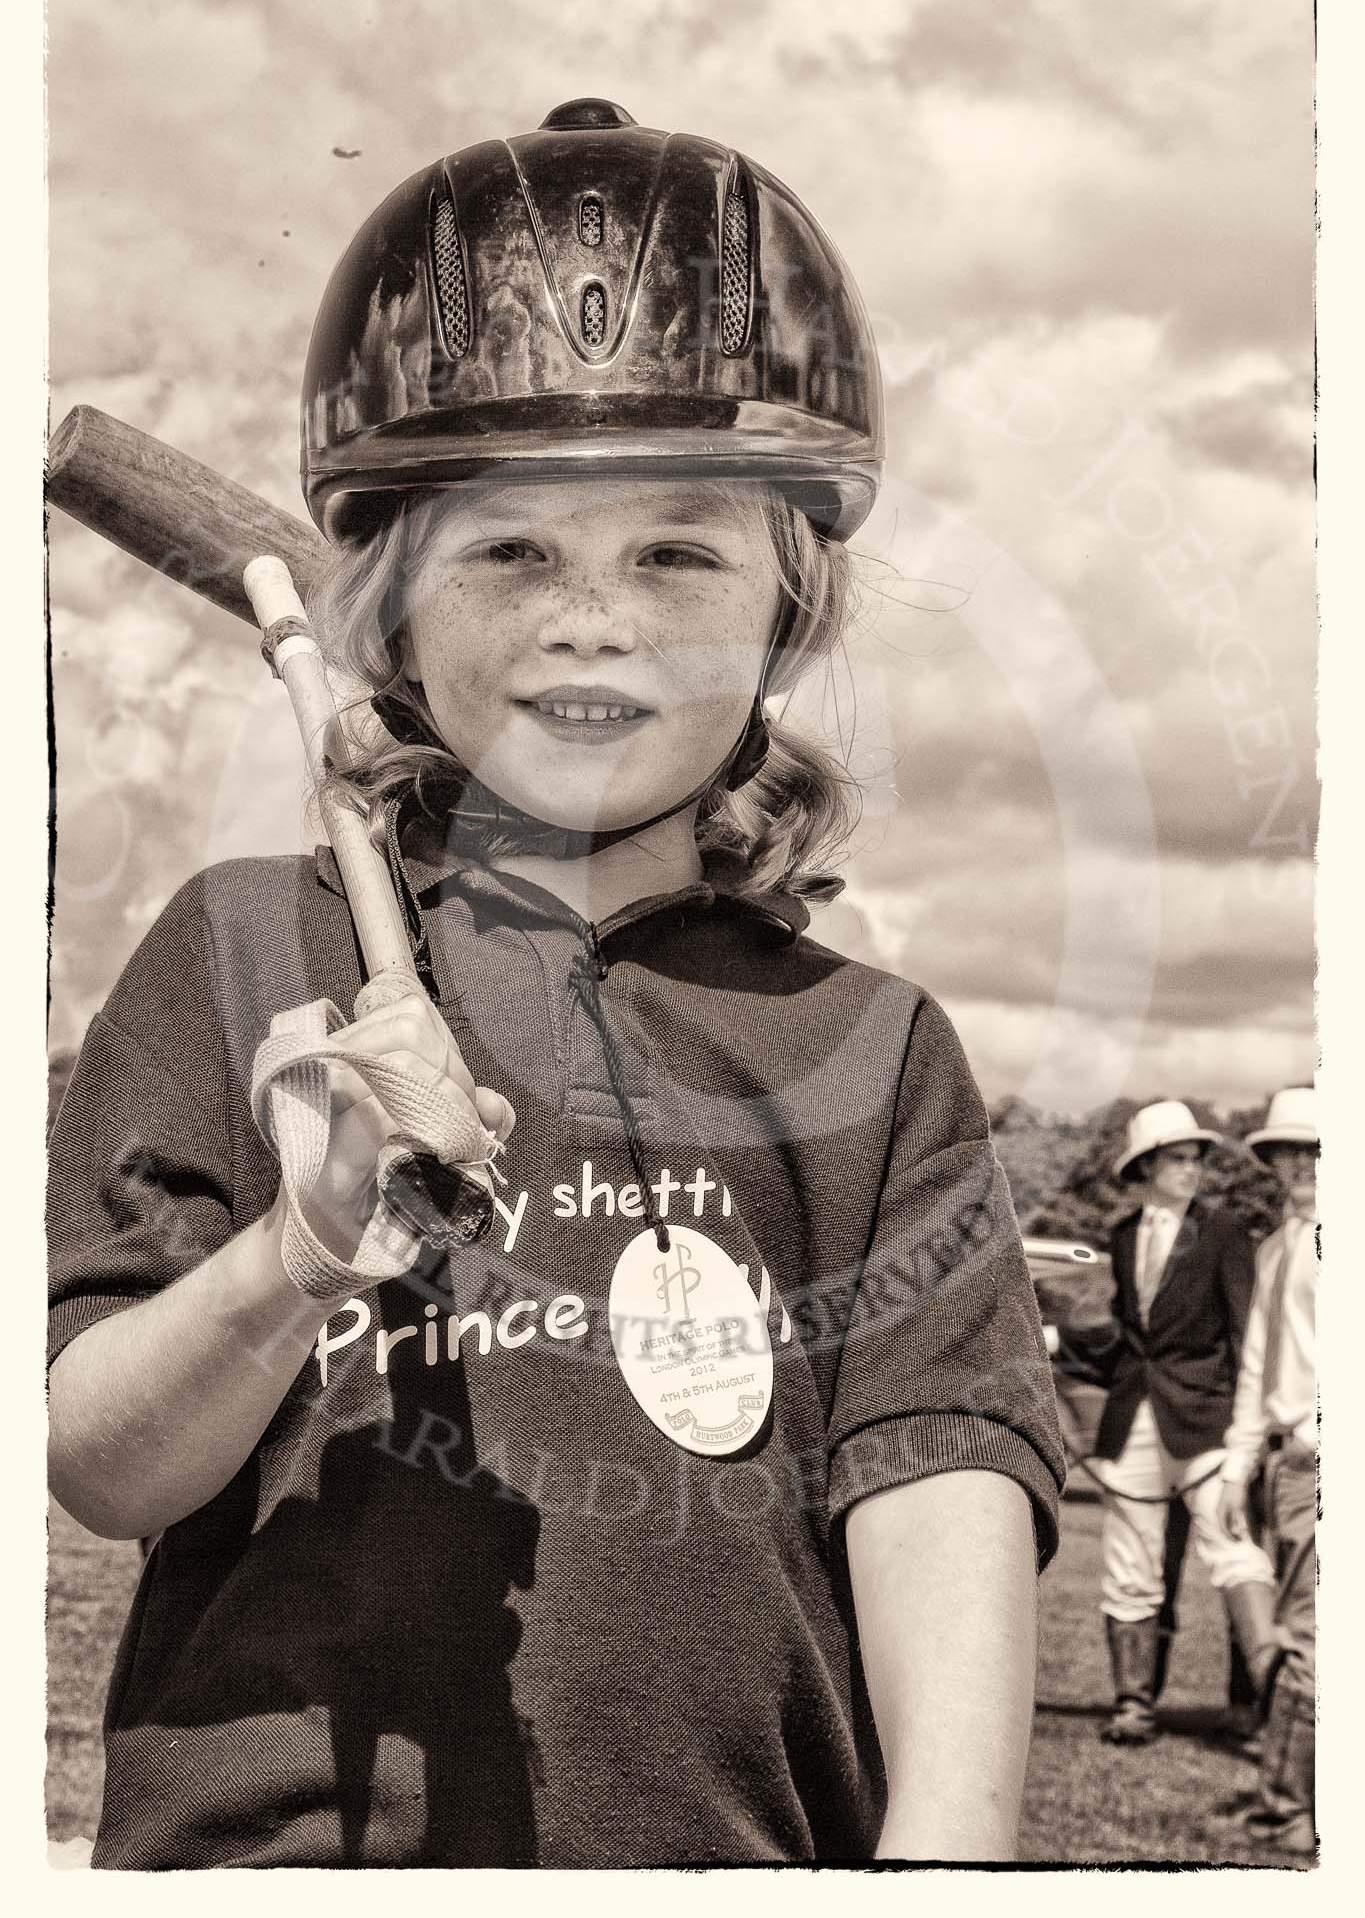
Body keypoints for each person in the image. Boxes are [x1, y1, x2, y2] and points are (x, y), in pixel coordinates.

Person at [47, 100, 1065, 1868]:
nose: (592, 617)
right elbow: (103, 1465)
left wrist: (948, 1865)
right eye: (509, 549)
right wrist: (297, 1251)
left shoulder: (871, 1048)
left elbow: (939, 1490)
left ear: (787, 611)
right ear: (388, 614)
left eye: (677, 551)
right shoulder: (239, 949)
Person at [1060, 1099, 1275, 1745]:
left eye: (1195, 1159)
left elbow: (1247, 1338)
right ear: (1146, 1167)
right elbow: (1127, 1336)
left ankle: (1257, 1702)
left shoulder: (1225, 1231)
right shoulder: (1122, 1235)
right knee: (1131, 1559)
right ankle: (1132, 1705)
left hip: (1208, 1420)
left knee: (1231, 1549)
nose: (1191, 1169)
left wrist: (1249, 1436)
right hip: (1135, 1420)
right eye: (1177, 1159)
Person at [1218, 1086, 1318, 1857]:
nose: (1300, 1166)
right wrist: (1236, 1464)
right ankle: (1288, 1801)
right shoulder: (1275, 1247)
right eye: (1288, 1152)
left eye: (1315, 1149)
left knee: (1309, 1633)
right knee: (1299, 1627)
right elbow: (1256, 1367)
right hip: (1287, 1460)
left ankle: (1290, 1807)